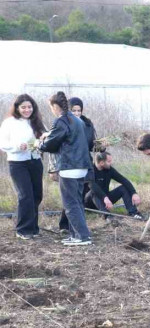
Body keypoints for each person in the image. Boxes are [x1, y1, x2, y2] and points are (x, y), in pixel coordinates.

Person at [39, 91, 92, 246]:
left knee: (70, 203)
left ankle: (82, 237)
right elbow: (68, 138)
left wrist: (39, 144)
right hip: (82, 166)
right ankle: (77, 234)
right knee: (77, 201)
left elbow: (52, 144)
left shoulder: (61, 121)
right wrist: (49, 135)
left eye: (51, 107)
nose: (52, 110)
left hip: (69, 167)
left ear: (55, 106)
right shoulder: (77, 120)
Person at [0, 94, 46, 240]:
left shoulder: (37, 122)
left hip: (35, 161)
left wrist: (43, 141)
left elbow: (47, 137)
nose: (27, 110)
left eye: (30, 107)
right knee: (25, 195)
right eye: (24, 107)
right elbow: (2, 144)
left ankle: (33, 227)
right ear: (17, 108)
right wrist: (17, 146)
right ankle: (23, 230)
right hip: (17, 162)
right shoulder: (9, 122)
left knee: (37, 194)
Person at [58, 97, 100, 231]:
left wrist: (101, 147)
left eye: (79, 110)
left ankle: (77, 228)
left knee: (79, 197)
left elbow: (91, 144)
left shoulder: (87, 124)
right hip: (70, 164)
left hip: (84, 163)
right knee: (70, 198)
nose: (76, 113)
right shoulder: (64, 123)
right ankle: (65, 225)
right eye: (74, 110)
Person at [86, 152, 143, 219]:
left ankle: (134, 213)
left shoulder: (109, 169)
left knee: (123, 188)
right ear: (101, 163)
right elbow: (92, 186)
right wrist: (105, 198)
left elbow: (123, 180)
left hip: (105, 200)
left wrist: (134, 193)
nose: (111, 163)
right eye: (109, 161)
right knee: (93, 192)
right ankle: (108, 216)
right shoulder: (90, 170)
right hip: (91, 202)